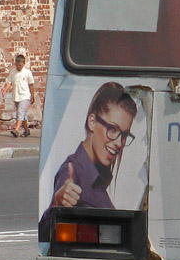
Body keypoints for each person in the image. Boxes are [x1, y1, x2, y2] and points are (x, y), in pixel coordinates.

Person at [48, 82, 137, 210]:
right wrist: (56, 204)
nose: (119, 143)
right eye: (112, 129)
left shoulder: (96, 179)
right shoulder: (73, 172)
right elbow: (50, 226)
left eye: (124, 135)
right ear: (92, 122)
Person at [1, 53, 35, 137]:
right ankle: (26, 130)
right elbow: (9, 82)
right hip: (16, 96)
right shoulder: (13, 72)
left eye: (20, 65)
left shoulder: (27, 72)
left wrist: (32, 96)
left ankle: (16, 130)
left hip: (25, 96)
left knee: (20, 112)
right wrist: (5, 89)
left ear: (24, 64)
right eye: (17, 65)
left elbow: (31, 85)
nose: (18, 67)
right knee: (22, 114)